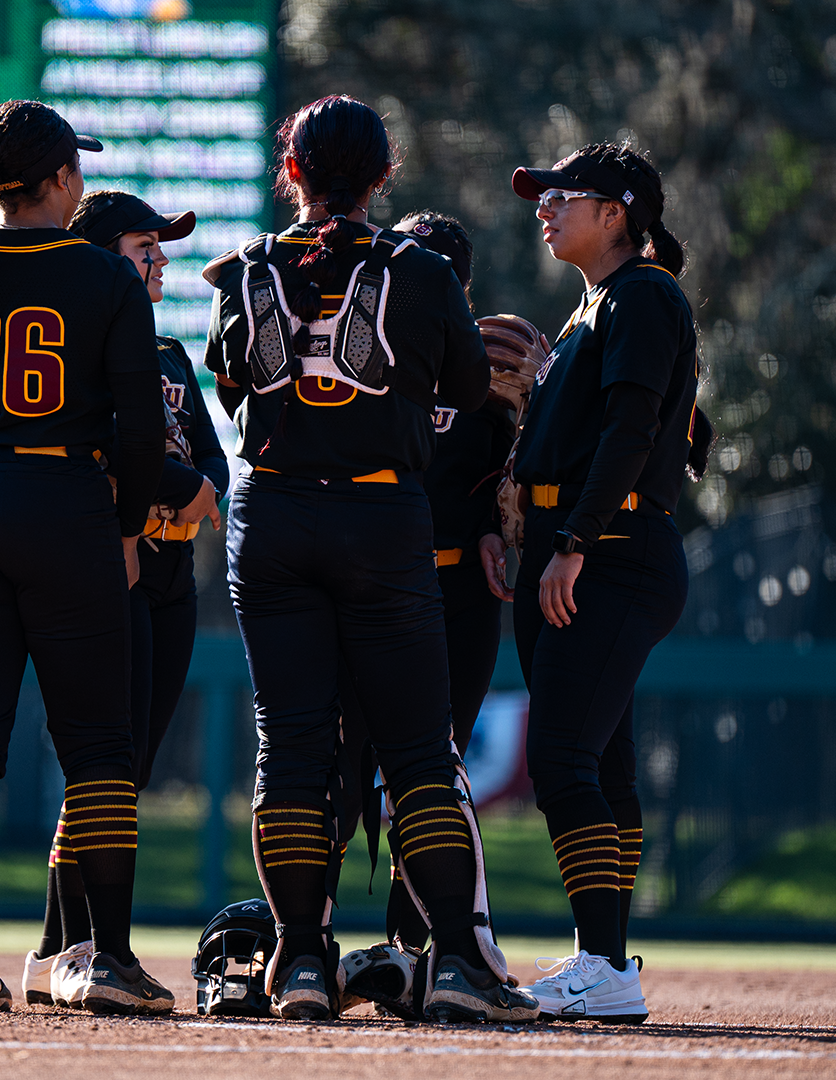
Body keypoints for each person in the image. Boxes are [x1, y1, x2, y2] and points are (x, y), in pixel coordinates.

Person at [203, 95, 540, 1024]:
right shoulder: (421, 270)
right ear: (383, 176)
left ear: (292, 172)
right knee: (416, 750)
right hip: (380, 515)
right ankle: (462, 965)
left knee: (293, 744)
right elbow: (470, 387)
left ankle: (302, 962)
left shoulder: (247, 266)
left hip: (269, 517)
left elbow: (228, 376)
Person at [0, 99, 174, 1016]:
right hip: (61, 503)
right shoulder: (102, 279)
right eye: (73, 169)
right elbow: (135, 429)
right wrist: (128, 528)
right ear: (56, 182)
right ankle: (111, 959)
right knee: (96, 743)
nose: (78, 180)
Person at [20, 190, 230, 1008]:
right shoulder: (83, 343)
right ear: (105, 254)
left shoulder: (171, 353)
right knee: (103, 767)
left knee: (127, 771)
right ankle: (81, 948)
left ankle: (53, 949)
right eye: (148, 245)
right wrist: (174, 491)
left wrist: (192, 489)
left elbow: (210, 465)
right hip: (115, 567)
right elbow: (114, 446)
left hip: (171, 577)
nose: (163, 259)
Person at [505, 142, 700, 1024]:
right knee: (603, 762)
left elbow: (634, 427)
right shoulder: (600, 304)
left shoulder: (645, 294)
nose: (543, 207)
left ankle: (605, 966)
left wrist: (575, 537)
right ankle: (606, 960)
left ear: (616, 212)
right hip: (584, 548)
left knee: (561, 758)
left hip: (612, 551)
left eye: (561, 196)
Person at [343, 210, 518, 969]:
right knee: (342, 766)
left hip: (459, 595)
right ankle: (307, 936)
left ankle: (412, 946)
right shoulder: (361, 352)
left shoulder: (494, 373)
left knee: (434, 773)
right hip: (369, 586)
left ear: (461, 285)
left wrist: (493, 521)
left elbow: (506, 481)